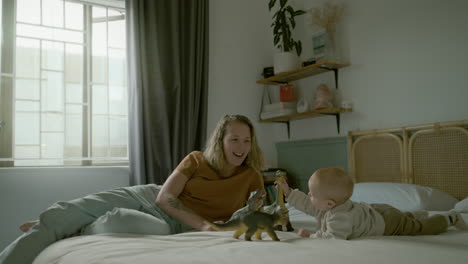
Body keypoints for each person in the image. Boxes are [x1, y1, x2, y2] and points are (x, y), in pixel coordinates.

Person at [0, 114, 265, 264]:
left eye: (246, 140)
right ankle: (56, 228)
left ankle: (77, 228)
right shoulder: (196, 159)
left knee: (122, 223)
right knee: (61, 215)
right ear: (221, 141)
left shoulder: (251, 177)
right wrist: (206, 227)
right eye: (234, 139)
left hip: (172, 225)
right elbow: (165, 198)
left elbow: (261, 214)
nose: (241, 147)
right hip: (149, 197)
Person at [276, 167, 468, 240]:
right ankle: (419, 214)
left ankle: (449, 217)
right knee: (407, 218)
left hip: (387, 223)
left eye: (312, 194)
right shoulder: (328, 207)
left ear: (329, 203)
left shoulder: (340, 217)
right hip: (378, 212)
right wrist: (288, 192)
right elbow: (308, 206)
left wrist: (311, 236)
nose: (309, 196)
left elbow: (332, 238)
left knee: (417, 228)